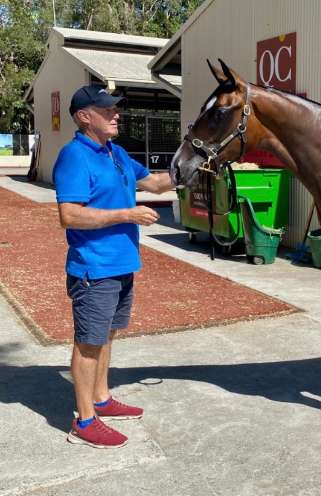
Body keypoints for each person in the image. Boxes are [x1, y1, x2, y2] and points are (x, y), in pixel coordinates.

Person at [53, 85, 174, 448]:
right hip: (94, 267)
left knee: (107, 335)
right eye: (106, 110)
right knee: (88, 343)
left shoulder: (116, 153)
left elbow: (156, 183)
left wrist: (195, 165)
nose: (116, 114)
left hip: (122, 265)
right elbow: (69, 215)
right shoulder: (74, 156)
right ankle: (84, 421)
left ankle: (102, 399)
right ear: (84, 117)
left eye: (115, 109)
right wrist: (127, 214)